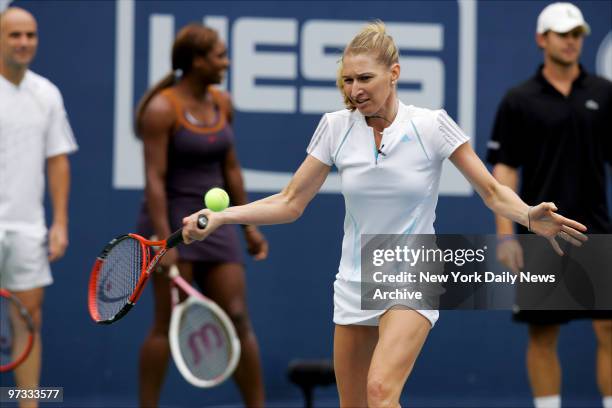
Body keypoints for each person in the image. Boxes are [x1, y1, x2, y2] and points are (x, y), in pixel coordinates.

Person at [181, 20, 589, 406]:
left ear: (394, 73)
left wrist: (528, 216)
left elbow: (492, 190)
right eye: (347, 80)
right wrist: (222, 217)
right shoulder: (335, 128)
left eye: (365, 78)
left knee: (380, 391)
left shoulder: (431, 125)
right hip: (355, 278)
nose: (355, 89)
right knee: (355, 403)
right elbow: (290, 201)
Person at [134, 23, 268, 407]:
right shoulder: (162, 109)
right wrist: (163, 242)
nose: (226, 62)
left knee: (238, 317)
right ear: (197, 61)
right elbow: (154, 180)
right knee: (165, 322)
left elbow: (232, 169)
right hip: (172, 225)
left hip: (215, 224)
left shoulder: (222, 103)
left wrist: (250, 227)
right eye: (219, 55)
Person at [487, 3, 612, 408]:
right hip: (540, 234)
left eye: (577, 34)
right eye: (563, 34)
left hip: (598, 229)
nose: (572, 41)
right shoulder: (518, 100)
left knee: (609, 328)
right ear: (543, 40)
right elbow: (504, 174)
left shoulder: (604, 94)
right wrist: (506, 236)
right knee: (543, 334)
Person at [0, 6, 78, 408]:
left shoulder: (47, 94)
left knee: (29, 319)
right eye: (14, 35)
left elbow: (57, 159)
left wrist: (59, 222)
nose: (24, 42)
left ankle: (28, 403)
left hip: (27, 226)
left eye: (30, 35)